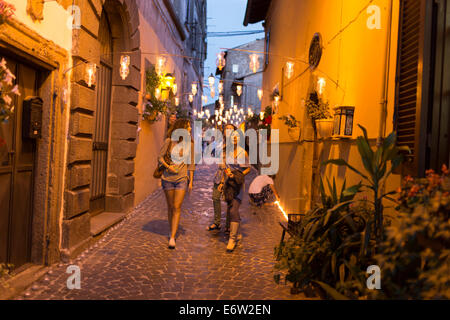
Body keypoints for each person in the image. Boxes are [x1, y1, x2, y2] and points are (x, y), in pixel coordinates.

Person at [158, 119, 195, 249]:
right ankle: (171, 228)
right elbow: (160, 158)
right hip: (167, 179)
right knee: (170, 207)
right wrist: (168, 166)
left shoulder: (190, 144)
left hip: (181, 179)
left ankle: (172, 236)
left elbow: (191, 164)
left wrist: (191, 181)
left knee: (177, 206)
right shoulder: (169, 142)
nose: (190, 129)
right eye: (188, 126)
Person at [222, 127, 251, 252]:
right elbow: (224, 166)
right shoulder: (226, 151)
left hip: (238, 185)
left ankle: (232, 238)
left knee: (234, 210)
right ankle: (236, 231)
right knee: (230, 208)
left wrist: (238, 175)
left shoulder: (243, 152)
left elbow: (248, 168)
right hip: (229, 184)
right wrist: (227, 174)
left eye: (237, 137)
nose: (234, 138)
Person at [206, 124, 236, 234]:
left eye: (231, 129)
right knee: (215, 197)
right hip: (219, 174)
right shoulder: (221, 144)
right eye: (226, 128)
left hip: (230, 176)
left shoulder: (235, 145)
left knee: (229, 200)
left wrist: (225, 180)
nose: (228, 130)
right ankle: (217, 222)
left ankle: (228, 225)